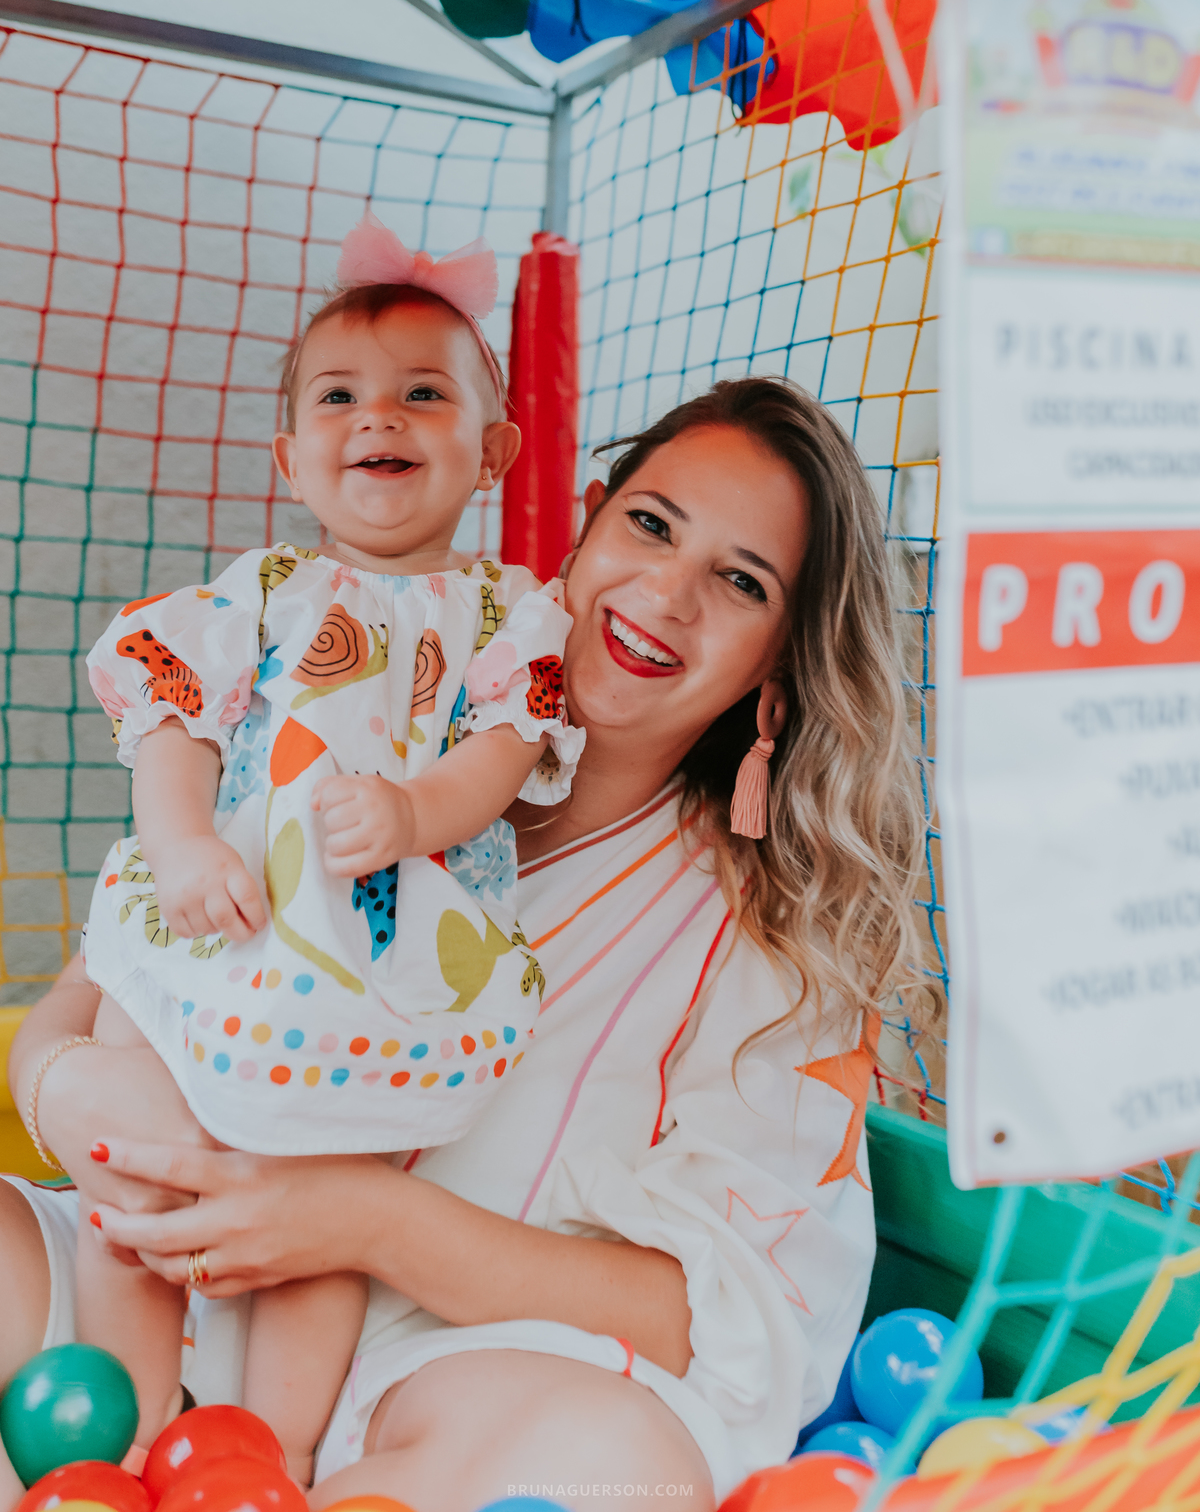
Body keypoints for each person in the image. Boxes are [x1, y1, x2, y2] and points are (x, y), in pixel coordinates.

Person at [2, 377, 931, 1512]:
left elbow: (731, 1311)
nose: (666, 595)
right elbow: (99, 982)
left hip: (438, 1372)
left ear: (778, 665)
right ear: (586, 518)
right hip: (150, 1274)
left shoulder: (779, 946)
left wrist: (365, 1224)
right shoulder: (378, 682)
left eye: (740, 583)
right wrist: (78, 1103)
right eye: (650, 525)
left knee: (610, 1457)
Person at [37, 213, 585, 1479]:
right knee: (142, 1162)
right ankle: (128, 1430)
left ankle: (264, 1459)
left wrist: (413, 813)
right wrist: (176, 843)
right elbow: (173, 714)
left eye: (421, 395)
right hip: (221, 926)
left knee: (328, 1214)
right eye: (339, 397)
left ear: (494, 451)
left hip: (370, 979)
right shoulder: (266, 592)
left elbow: (499, 761)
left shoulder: (511, 612)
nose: (376, 418)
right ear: (292, 457)